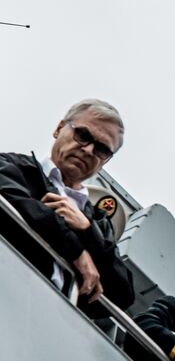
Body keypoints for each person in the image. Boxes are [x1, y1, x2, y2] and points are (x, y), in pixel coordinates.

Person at [0, 99, 135, 309]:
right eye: (83, 135)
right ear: (59, 128)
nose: (89, 150)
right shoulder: (13, 168)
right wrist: (76, 251)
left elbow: (122, 293)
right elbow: (14, 203)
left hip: (56, 323)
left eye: (101, 149)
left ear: (106, 160)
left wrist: (88, 232)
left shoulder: (98, 223)